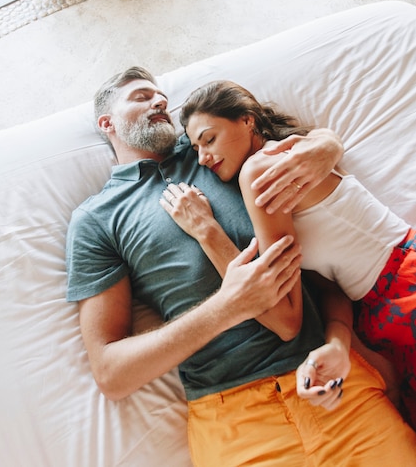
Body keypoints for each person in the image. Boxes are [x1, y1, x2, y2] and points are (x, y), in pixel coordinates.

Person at [66, 66, 416, 466]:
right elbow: (111, 374)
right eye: (141, 96)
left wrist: (327, 143)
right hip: (231, 418)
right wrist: (228, 305)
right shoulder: (96, 219)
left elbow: (322, 278)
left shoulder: (222, 155)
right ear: (106, 123)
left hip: (334, 388)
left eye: (161, 96)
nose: (159, 101)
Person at [166, 78, 416, 428]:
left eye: (209, 138)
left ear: (247, 120)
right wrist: (340, 344)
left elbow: (284, 314)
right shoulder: (291, 157)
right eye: (196, 149)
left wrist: (207, 232)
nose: (204, 156)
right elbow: (329, 287)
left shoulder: (260, 169)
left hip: (402, 286)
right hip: (384, 302)